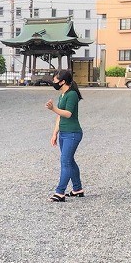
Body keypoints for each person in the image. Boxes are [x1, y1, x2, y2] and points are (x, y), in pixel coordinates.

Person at [45, 69, 84, 202]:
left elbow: (68, 113)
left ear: (63, 82)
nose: (54, 82)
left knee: (65, 161)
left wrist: (53, 108)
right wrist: (54, 133)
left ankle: (60, 192)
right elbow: (60, 117)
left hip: (73, 133)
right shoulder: (62, 95)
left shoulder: (72, 94)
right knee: (70, 161)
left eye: (55, 80)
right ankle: (77, 189)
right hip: (64, 133)